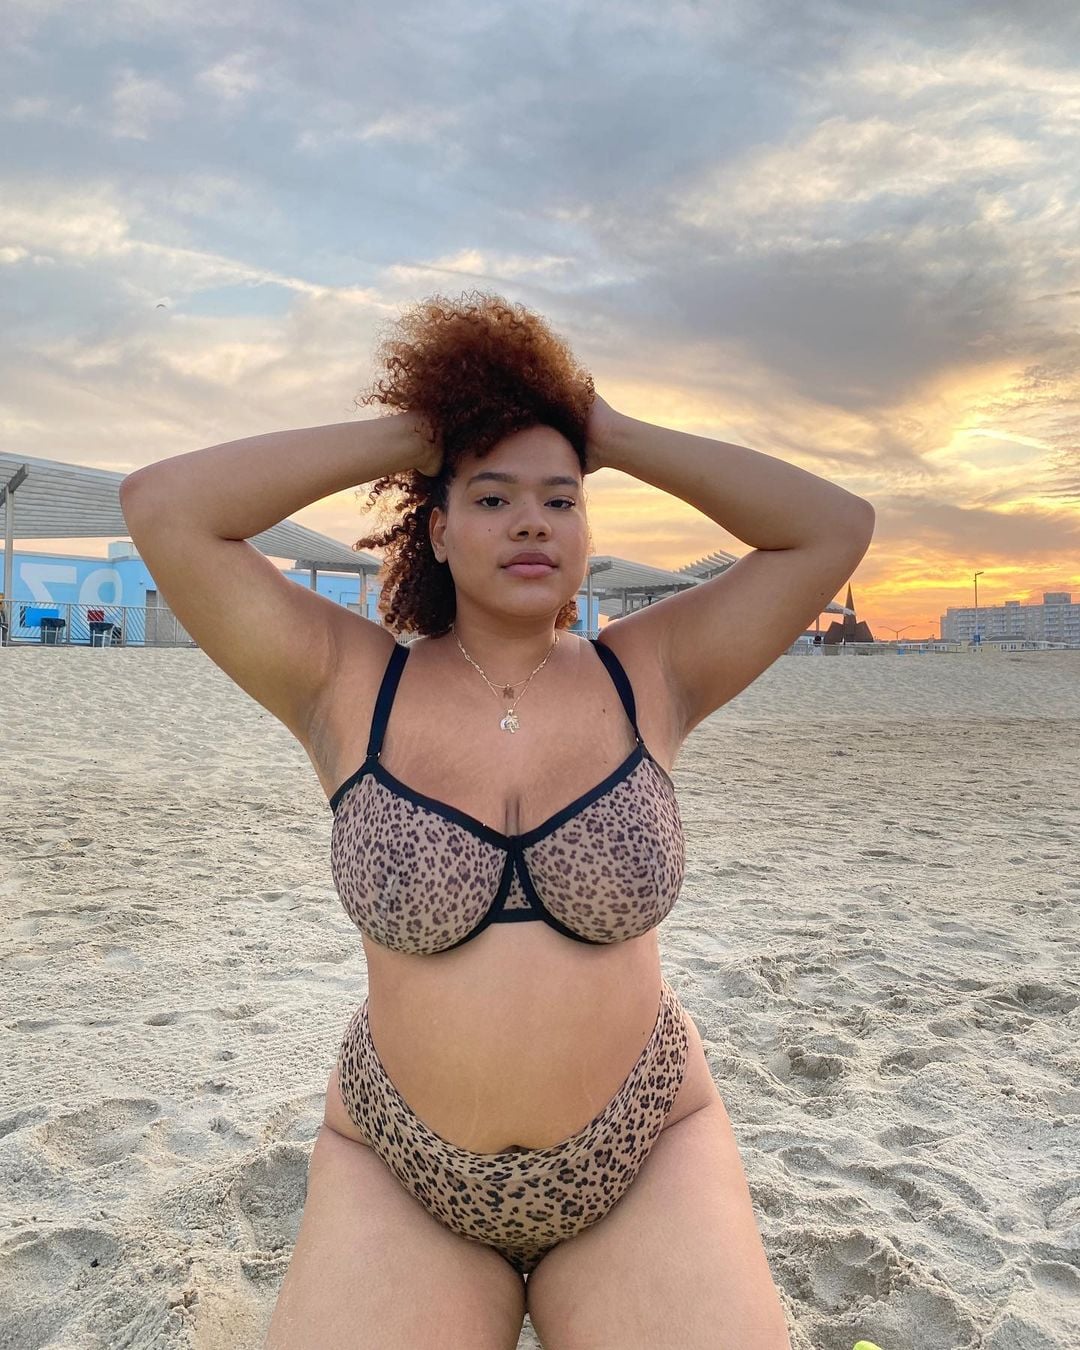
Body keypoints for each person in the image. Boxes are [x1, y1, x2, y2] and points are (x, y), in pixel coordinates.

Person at [120, 291, 875, 1349]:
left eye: (562, 499)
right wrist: (424, 431)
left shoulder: (652, 672)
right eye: (491, 496)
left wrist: (602, 427)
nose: (532, 521)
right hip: (400, 1167)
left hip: (644, 1150)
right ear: (435, 527)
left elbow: (832, 529)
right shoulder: (347, 683)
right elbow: (164, 506)